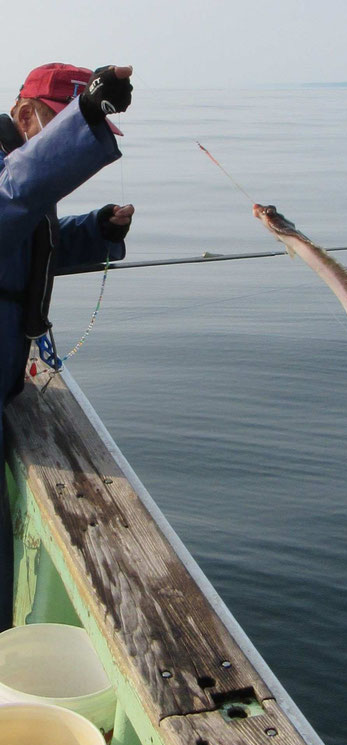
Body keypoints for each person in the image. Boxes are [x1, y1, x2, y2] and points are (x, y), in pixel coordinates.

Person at [0, 62, 135, 629]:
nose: (65, 151)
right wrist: (84, 118)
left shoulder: (22, 179)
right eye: (58, 129)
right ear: (27, 115)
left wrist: (97, 231)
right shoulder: (15, 179)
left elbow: (33, 249)